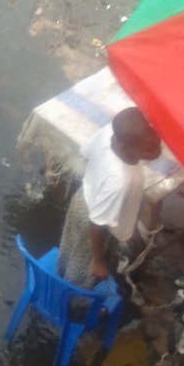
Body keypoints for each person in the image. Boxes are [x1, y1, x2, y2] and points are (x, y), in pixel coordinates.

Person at [58, 107, 162, 290]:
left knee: (71, 249)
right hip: (94, 224)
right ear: (124, 147)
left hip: (83, 199)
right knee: (85, 269)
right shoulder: (121, 181)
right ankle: (74, 302)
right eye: (149, 150)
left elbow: (87, 152)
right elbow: (97, 224)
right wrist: (98, 261)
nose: (157, 152)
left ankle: (62, 272)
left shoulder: (110, 132)